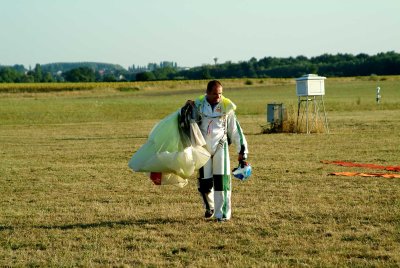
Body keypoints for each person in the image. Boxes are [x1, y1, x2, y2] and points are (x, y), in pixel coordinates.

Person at [185, 80, 248, 221]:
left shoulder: (227, 107)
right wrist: (187, 107)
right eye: (215, 94)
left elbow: (236, 131)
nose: (218, 96)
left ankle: (223, 215)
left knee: (222, 182)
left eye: (220, 93)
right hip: (202, 149)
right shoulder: (198, 106)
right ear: (207, 93)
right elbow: (187, 122)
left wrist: (242, 153)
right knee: (204, 183)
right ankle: (210, 207)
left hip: (221, 147)